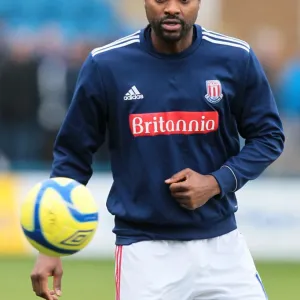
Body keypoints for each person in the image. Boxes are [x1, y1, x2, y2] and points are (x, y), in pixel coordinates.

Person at [30, 0, 284, 299]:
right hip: (144, 253)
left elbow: (268, 137)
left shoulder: (235, 57)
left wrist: (216, 183)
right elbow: (73, 156)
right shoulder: (106, 63)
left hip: (222, 247)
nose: (172, 8)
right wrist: (49, 246)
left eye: (184, 0)